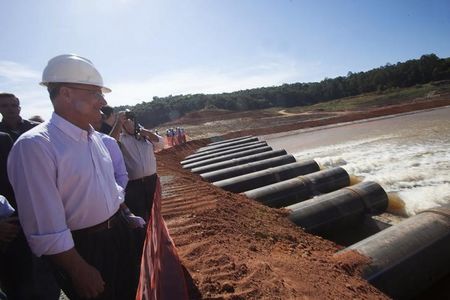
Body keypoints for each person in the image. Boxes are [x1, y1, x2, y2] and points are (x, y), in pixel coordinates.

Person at [7, 54, 140, 300]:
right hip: (84, 250)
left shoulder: (94, 138)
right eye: (94, 93)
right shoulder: (35, 146)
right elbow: (44, 225)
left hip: (118, 234)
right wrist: (78, 269)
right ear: (66, 94)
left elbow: (105, 186)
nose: (102, 101)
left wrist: (122, 214)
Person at [120, 117, 164, 222]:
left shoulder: (146, 137)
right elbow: (110, 143)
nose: (130, 125)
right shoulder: (121, 139)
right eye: (126, 123)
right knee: (140, 213)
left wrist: (147, 133)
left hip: (151, 181)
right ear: (123, 126)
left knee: (155, 211)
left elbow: (161, 143)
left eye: (132, 122)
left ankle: (157, 236)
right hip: (134, 185)